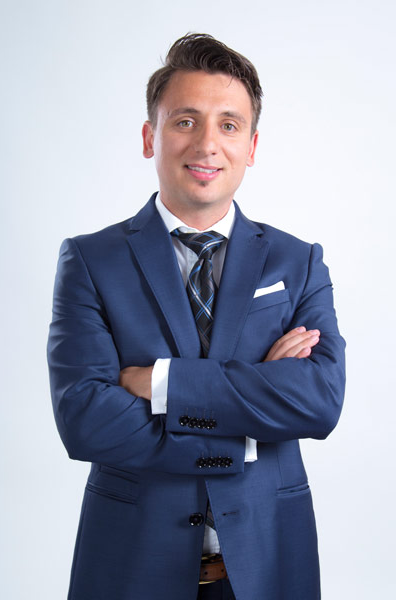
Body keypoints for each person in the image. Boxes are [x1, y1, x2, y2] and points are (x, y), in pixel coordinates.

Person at [47, 33, 345, 600]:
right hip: (132, 567)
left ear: (251, 146)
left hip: (268, 563)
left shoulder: (298, 261)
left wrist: (162, 384)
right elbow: (86, 419)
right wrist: (252, 415)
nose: (208, 144)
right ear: (150, 136)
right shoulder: (90, 260)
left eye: (229, 125)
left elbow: (318, 401)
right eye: (185, 121)